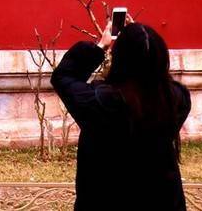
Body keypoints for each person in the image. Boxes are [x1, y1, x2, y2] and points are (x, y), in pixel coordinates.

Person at [51, 19, 191, 211]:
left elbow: (63, 77)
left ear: (120, 59)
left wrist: (100, 47)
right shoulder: (175, 101)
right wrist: (144, 43)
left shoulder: (97, 104)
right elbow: (160, 81)